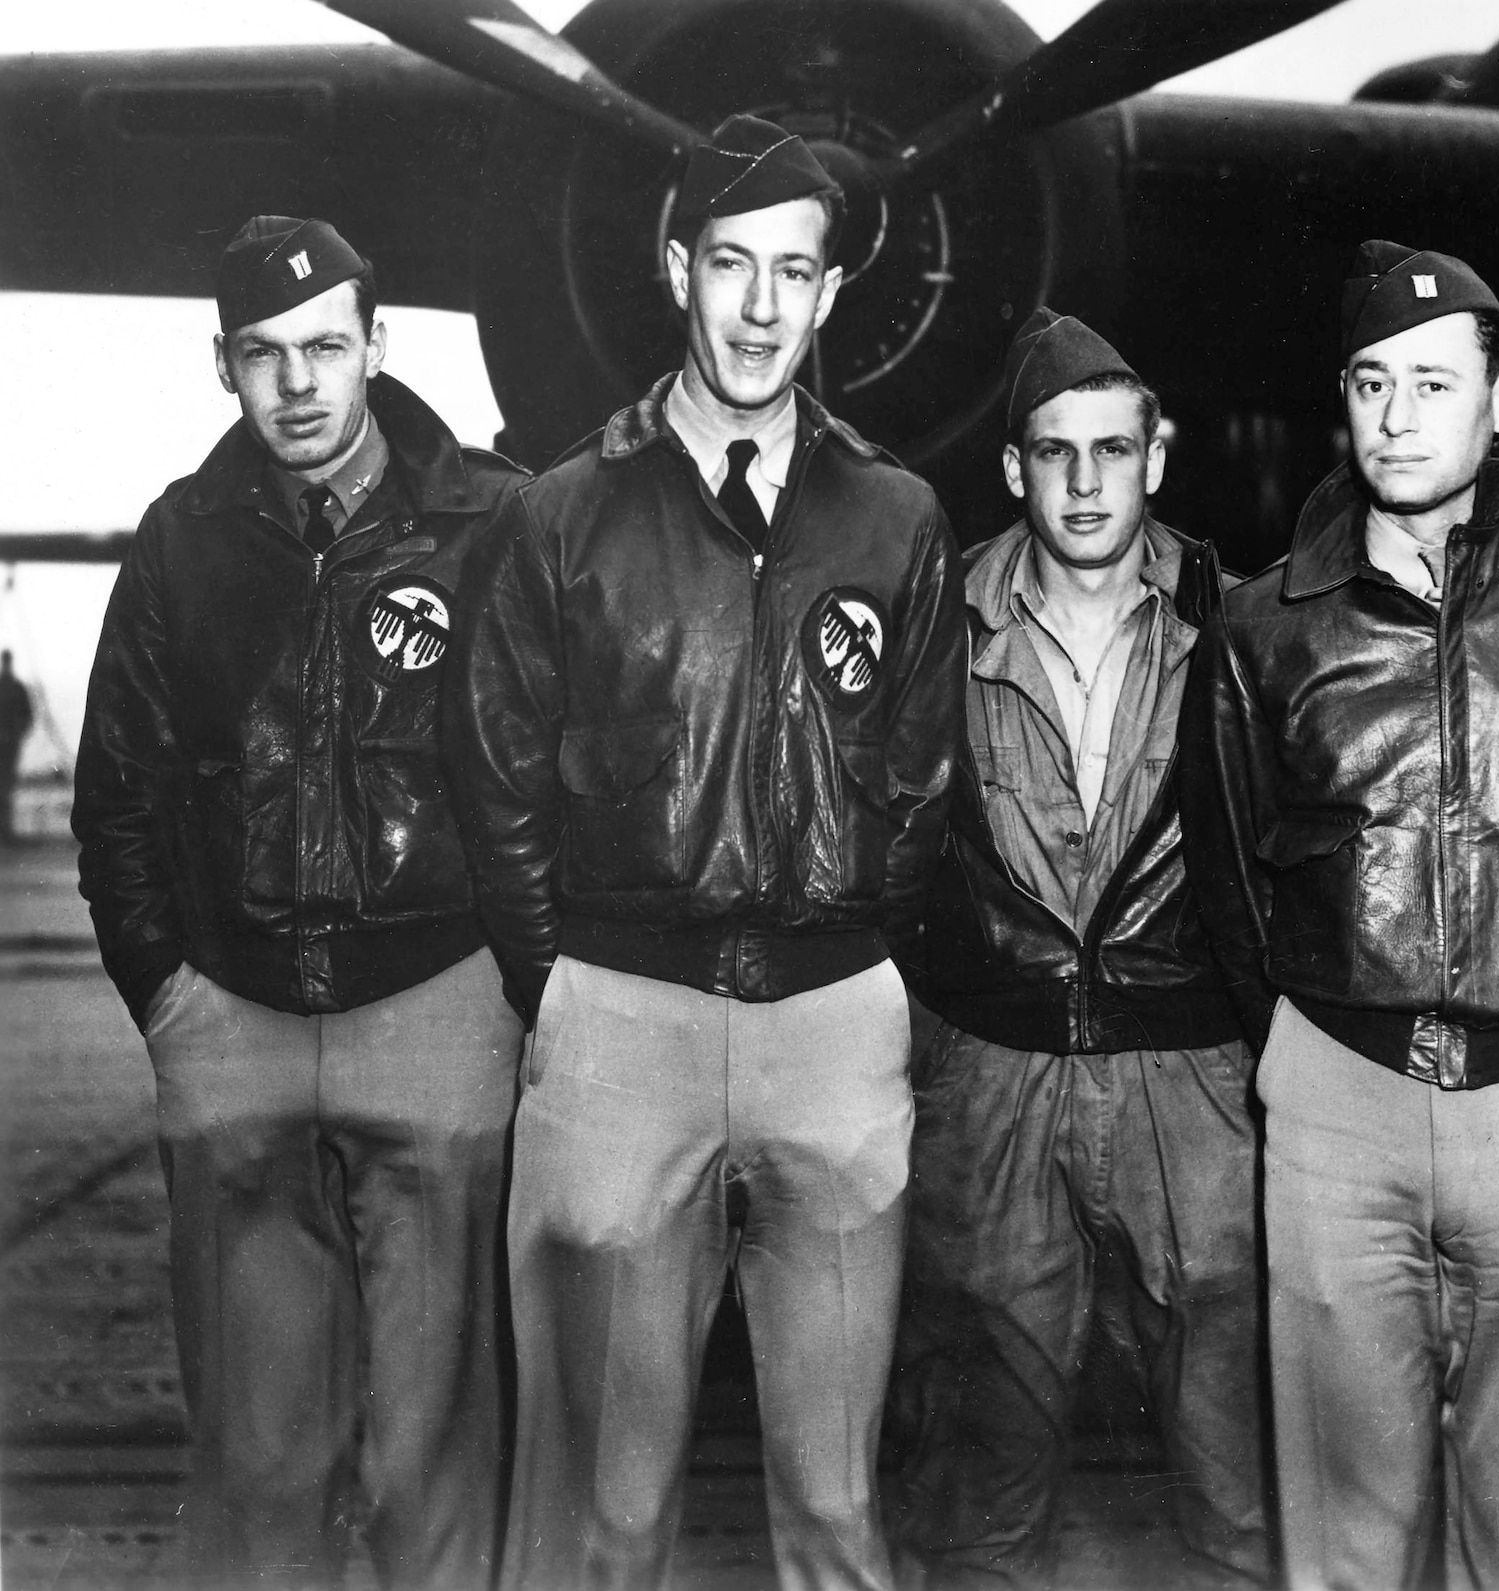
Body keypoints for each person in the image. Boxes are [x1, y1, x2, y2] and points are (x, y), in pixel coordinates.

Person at [441, 114, 965, 1591]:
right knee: (599, 1511)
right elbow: (497, 779)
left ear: (830, 293)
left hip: (832, 1028)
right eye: (731, 264)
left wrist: (851, 969)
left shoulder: (896, 514)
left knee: (838, 1499)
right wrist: (572, 990)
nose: (758, 307)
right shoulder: (563, 512)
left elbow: (923, 782)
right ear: (677, 267)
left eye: (792, 273)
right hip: (620, 1019)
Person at [1179, 239, 1499, 1590]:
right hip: (1340, 1098)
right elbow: (1230, 881)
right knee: (1343, 1535)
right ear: (1341, 403)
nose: (1398, 415)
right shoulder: (1261, 631)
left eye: (1432, 381)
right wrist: (1305, 1051)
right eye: (1369, 382)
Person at [70, 215, 526, 1587]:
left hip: (438, 1007)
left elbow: (552, 770)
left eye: (326, 346)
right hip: (239, 1021)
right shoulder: (180, 541)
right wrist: (172, 998)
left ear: (378, 347)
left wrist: (513, 985)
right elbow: (121, 793)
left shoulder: (490, 522)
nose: (298, 384)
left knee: (434, 1458)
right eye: (263, 355)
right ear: (225, 366)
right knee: (259, 1463)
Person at [891, 309, 1271, 1588]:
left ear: (1155, 456)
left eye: (1114, 449)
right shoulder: (935, 622)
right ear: (1014, 471)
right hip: (991, 1082)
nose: (1088, 481)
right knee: (976, 1495)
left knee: (1237, 1484)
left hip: (1193, 1084)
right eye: (1056, 453)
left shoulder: (1240, 628)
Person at [0, 650, 33, 841]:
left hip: (9, 745)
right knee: (5, 787)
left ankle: (5, 830)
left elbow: (27, 715)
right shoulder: (15, 687)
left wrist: (15, 734)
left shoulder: (16, 687)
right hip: (9, 743)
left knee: (5, 787)